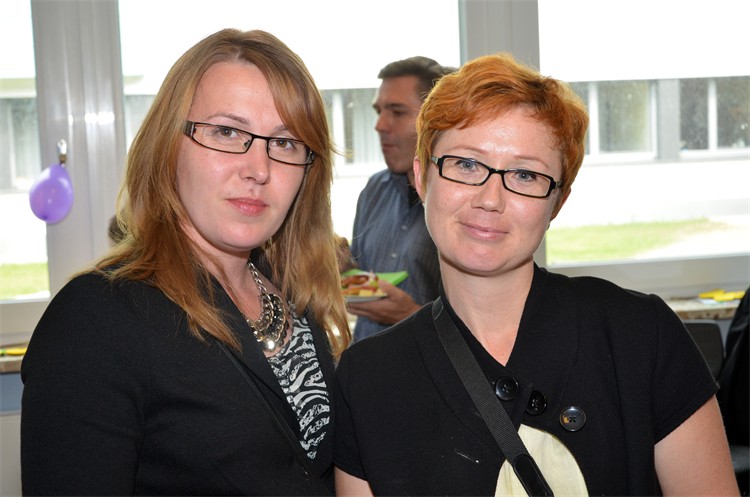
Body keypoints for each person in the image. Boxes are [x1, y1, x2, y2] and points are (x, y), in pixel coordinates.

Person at [334, 53, 739, 496]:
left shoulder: (639, 337)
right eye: (466, 164)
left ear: (557, 203)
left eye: (525, 175)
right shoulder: (366, 378)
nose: (490, 199)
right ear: (421, 178)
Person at [21, 28, 350, 496]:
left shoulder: (291, 294)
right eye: (226, 132)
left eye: (285, 143)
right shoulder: (98, 317)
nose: (259, 169)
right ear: (168, 146)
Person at [345, 56, 448, 341]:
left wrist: (409, 315)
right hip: (365, 359)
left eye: (397, 112)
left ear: (436, 119)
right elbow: (360, 282)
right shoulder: (374, 189)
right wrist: (339, 268)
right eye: (379, 111)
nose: (379, 125)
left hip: (430, 366)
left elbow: (481, 326)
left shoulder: (461, 201)